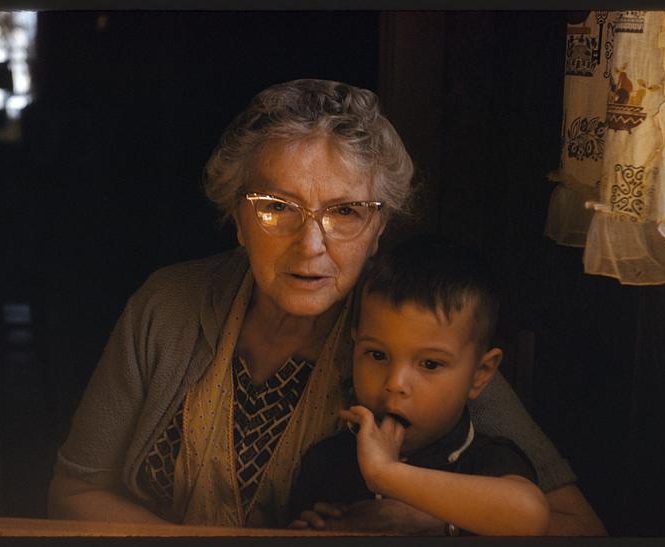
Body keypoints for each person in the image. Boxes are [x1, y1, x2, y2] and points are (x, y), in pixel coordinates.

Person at [47, 78, 606, 534]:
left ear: (380, 226)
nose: (311, 246)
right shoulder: (167, 306)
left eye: (345, 212)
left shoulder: (407, 338)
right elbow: (74, 493)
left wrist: (438, 521)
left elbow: (573, 525)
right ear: (237, 219)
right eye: (276, 207)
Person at [288, 236, 549, 535]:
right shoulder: (327, 462)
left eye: (430, 364)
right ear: (354, 346)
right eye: (377, 355)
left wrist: (387, 475)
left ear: (480, 374)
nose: (395, 384)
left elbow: (532, 517)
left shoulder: (488, 460)